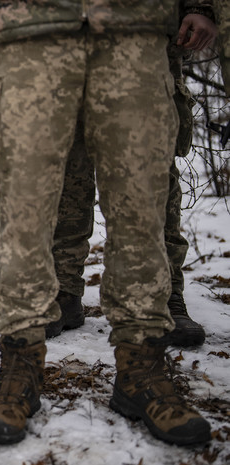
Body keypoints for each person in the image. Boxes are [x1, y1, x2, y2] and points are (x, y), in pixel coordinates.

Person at [0, 0, 212, 447]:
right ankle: (19, 368)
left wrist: (200, 4)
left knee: (142, 213)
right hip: (29, 30)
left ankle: (142, 367)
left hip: (135, 29)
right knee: (23, 215)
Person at [48, 9, 216, 346]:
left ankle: (163, 296)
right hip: (62, 36)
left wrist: (202, 8)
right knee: (65, 176)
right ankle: (62, 294)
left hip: (143, 35)